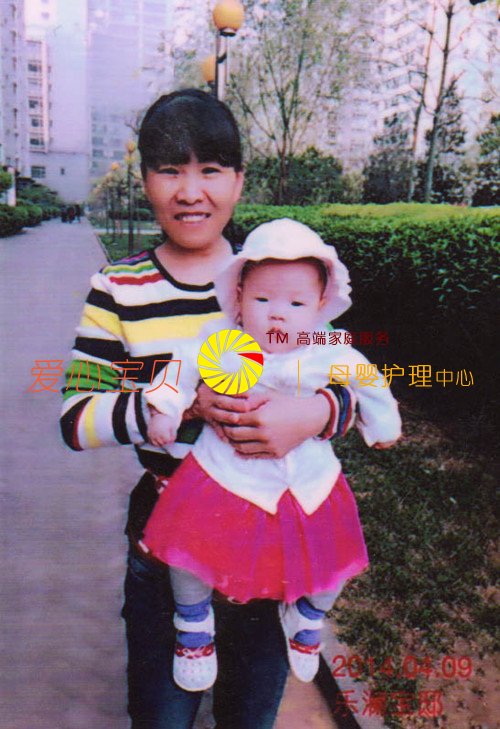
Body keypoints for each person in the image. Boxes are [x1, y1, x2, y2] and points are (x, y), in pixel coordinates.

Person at [60, 90, 355, 729]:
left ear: (239, 180)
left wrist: (319, 413)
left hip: (272, 540)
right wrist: (183, 402)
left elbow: (341, 370)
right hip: (167, 543)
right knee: (162, 714)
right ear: (145, 180)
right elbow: (77, 416)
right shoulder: (120, 289)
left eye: (211, 170)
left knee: (250, 712)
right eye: (170, 170)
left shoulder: (273, 275)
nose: (190, 191)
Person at [140, 218, 402, 692]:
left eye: (296, 304)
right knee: (189, 553)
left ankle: (308, 615)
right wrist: (166, 409)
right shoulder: (222, 338)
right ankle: (193, 624)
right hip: (225, 471)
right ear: (239, 297)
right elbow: (179, 367)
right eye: (263, 300)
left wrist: (383, 423)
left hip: (306, 475)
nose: (278, 315)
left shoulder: (327, 345)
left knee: (335, 558)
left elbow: (368, 379)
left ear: (320, 307)